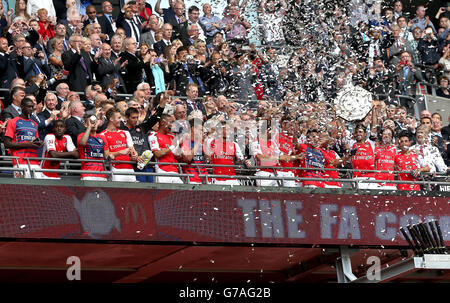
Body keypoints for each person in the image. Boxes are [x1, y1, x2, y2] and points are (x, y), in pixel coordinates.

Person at [3, 97, 44, 178]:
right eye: (28, 106)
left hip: (34, 161)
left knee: (39, 187)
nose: (31, 109)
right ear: (22, 107)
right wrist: (27, 144)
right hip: (19, 161)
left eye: (32, 107)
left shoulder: (34, 124)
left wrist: (39, 144)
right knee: (22, 188)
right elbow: (7, 144)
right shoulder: (13, 122)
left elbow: (34, 142)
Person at [101, 108, 139, 182]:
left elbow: (133, 150)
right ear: (111, 119)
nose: (121, 120)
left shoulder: (125, 133)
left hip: (130, 169)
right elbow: (106, 155)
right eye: (119, 118)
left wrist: (135, 155)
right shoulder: (102, 135)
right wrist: (120, 152)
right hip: (115, 169)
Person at [204, 120, 246, 185]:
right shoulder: (211, 142)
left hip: (232, 179)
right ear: (219, 130)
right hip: (217, 179)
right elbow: (207, 156)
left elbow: (241, 159)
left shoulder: (234, 144)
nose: (230, 131)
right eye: (227, 129)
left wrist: (245, 161)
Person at [148, 113, 183, 184]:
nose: (172, 125)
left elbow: (178, 156)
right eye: (170, 122)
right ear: (162, 123)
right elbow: (157, 154)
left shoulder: (172, 137)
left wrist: (179, 146)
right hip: (162, 171)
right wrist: (173, 146)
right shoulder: (154, 135)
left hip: (175, 171)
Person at [77, 114, 109, 181]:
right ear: (85, 124)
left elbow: (107, 155)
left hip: (102, 174)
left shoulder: (102, 137)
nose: (93, 124)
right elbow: (82, 143)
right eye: (91, 122)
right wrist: (89, 127)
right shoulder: (81, 135)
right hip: (87, 174)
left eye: (95, 122)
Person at [178, 117, 208, 184]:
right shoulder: (184, 140)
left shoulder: (202, 142)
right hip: (191, 179)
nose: (203, 132)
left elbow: (209, 159)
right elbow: (188, 158)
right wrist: (198, 142)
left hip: (204, 179)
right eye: (201, 130)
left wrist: (205, 142)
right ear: (193, 129)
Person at [349, 124, 377, 189]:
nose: (358, 134)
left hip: (370, 178)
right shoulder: (351, 144)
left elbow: (374, 125)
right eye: (356, 132)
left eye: (360, 132)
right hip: (356, 178)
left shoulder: (371, 143)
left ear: (365, 133)